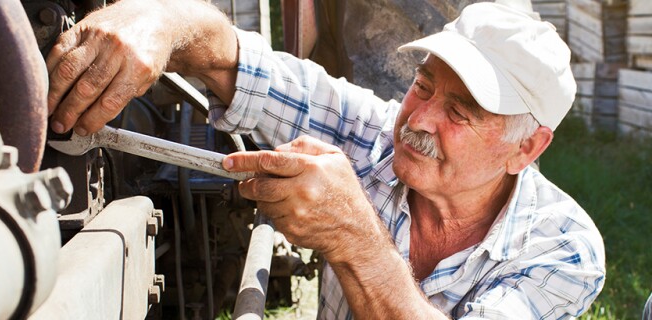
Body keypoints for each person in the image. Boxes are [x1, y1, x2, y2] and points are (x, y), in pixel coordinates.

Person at [45, 0, 606, 318]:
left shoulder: (563, 252)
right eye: (423, 85)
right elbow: (243, 65)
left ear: (527, 148)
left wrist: (355, 239)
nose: (420, 120)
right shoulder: (379, 137)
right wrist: (159, 23)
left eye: (461, 112)